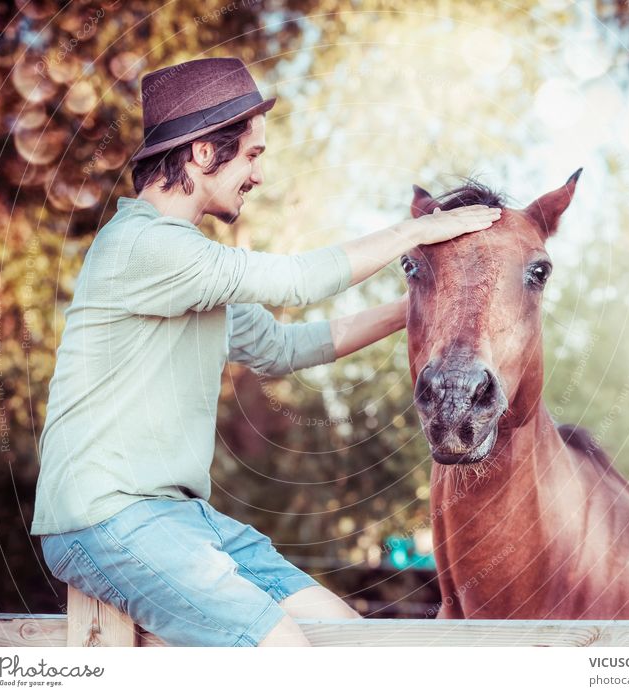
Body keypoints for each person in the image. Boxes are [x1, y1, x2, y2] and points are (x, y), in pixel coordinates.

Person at [30, 57, 501, 647]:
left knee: (349, 641)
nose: (258, 175)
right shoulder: (142, 246)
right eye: (251, 155)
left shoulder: (189, 268)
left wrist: (422, 310)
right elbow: (297, 281)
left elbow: (284, 347)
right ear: (203, 154)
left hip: (178, 521)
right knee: (284, 654)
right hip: (106, 520)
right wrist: (413, 233)